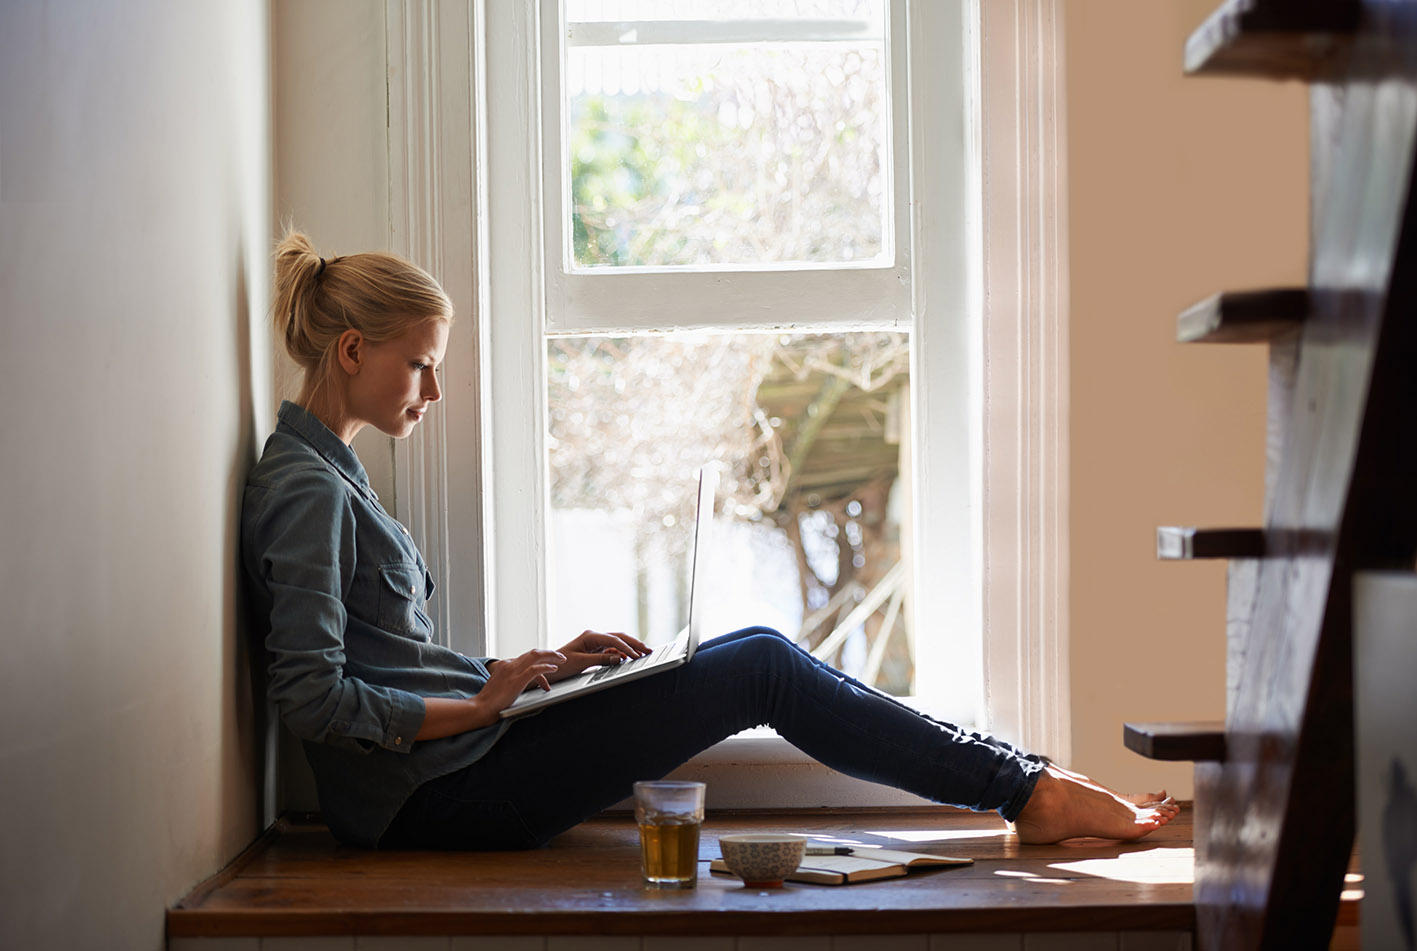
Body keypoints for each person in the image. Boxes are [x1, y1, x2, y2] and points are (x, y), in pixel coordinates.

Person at [242, 231, 1180, 851]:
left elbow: (385, 655)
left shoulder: (333, 474)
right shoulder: (302, 488)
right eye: (421, 365)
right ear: (355, 350)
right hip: (432, 800)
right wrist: (487, 705)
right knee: (760, 665)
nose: (431, 392)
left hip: (458, 762)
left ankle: (1027, 778)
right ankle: (1026, 789)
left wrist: (533, 670)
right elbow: (313, 697)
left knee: (750, 652)